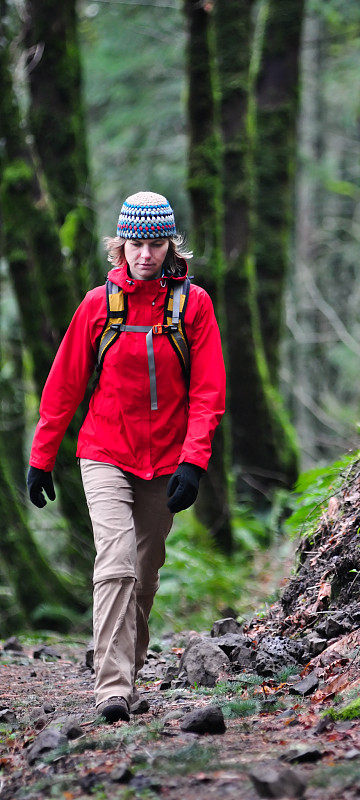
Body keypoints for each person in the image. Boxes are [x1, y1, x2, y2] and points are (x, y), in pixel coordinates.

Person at [26, 191, 226, 723]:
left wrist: (194, 461)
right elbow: (64, 384)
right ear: (120, 247)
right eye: (136, 243)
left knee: (145, 567)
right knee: (115, 563)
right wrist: (42, 456)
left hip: (166, 459)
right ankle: (111, 687)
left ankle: (129, 669)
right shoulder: (98, 304)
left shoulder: (193, 305)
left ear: (170, 245)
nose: (145, 254)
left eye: (155, 243)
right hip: (105, 451)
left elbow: (209, 392)